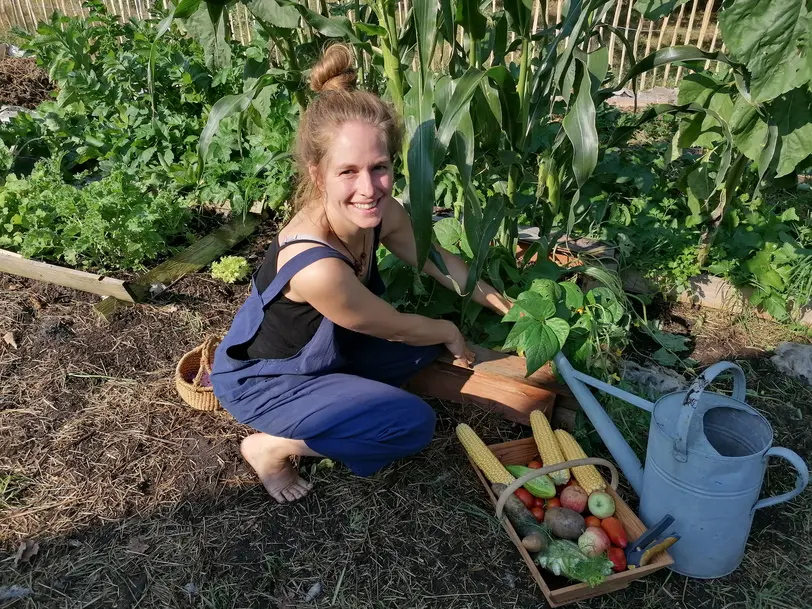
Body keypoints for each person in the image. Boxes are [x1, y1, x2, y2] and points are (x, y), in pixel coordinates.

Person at [211, 44, 512, 504]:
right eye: (348, 171)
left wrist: (502, 305)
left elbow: (439, 261)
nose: (368, 189)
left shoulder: (381, 213)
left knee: (425, 346)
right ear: (318, 173)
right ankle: (272, 446)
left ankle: (346, 398)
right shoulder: (316, 267)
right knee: (411, 423)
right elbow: (391, 325)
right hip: (270, 381)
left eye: (380, 168)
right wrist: (449, 328)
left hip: (331, 351)